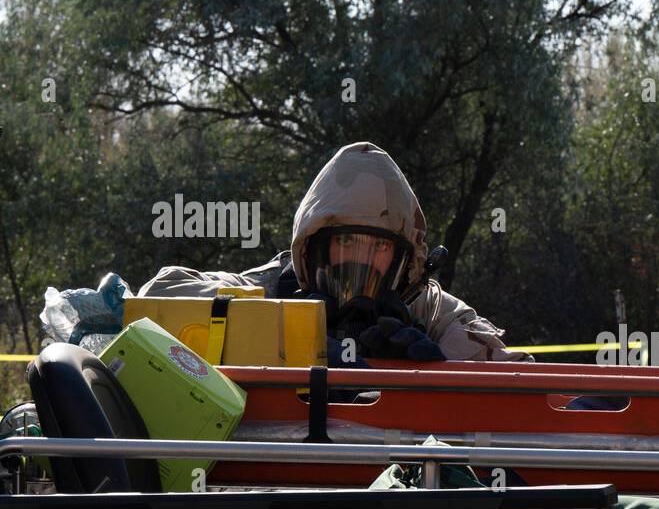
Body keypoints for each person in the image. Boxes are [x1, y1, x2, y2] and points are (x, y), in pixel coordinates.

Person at [139, 142, 530, 364]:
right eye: (346, 242)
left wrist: (433, 375)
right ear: (313, 249)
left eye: (378, 245)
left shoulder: (429, 308)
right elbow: (156, 296)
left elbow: (518, 385)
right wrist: (285, 331)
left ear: (402, 258)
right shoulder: (276, 286)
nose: (362, 259)